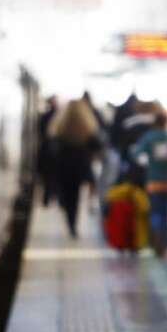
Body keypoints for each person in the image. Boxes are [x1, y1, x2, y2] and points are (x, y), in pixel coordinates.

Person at [130, 112, 167, 255]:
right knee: (166, 213)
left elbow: (136, 153)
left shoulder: (149, 137)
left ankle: (155, 236)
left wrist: (146, 160)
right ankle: (164, 244)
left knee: (154, 211)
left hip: (152, 181)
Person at [48, 98, 101, 238]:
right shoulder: (87, 125)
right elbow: (96, 145)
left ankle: (69, 219)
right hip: (80, 167)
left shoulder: (60, 125)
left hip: (63, 167)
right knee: (76, 196)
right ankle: (73, 225)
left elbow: (52, 146)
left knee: (67, 195)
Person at [37, 96, 59, 206]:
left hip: (46, 151)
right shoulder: (60, 117)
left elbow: (40, 132)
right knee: (54, 176)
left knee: (48, 177)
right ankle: (52, 197)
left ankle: (46, 199)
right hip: (56, 152)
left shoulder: (44, 116)